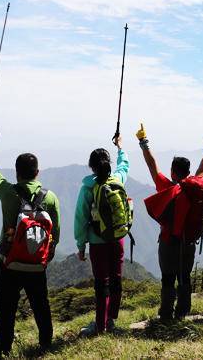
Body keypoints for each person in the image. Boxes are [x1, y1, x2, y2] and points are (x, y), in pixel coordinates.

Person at [0, 132, 61, 359]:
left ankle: (2, 351)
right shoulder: (50, 197)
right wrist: (43, 257)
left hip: (10, 264)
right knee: (41, 306)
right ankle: (46, 344)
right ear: (37, 173)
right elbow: (56, 233)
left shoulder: (8, 193)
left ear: (17, 173)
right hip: (37, 265)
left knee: (6, 310)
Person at [136, 123, 203, 320]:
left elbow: (152, 165)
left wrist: (143, 141)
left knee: (168, 278)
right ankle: (182, 313)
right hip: (190, 241)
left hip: (169, 241)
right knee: (184, 278)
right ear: (188, 171)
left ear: (174, 172)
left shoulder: (168, 187)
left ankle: (166, 314)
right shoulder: (197, 187)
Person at [74, 135, 130, 336]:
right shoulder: (117, 179)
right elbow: (124, 166)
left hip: (98, 242)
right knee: (116, 280)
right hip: (118, 238)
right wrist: (120, 147)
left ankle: (100, 326)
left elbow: (80, 218)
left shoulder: (88, 188)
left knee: (101, 283)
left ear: (91, 167)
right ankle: (111, 320)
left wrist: (81, 245)